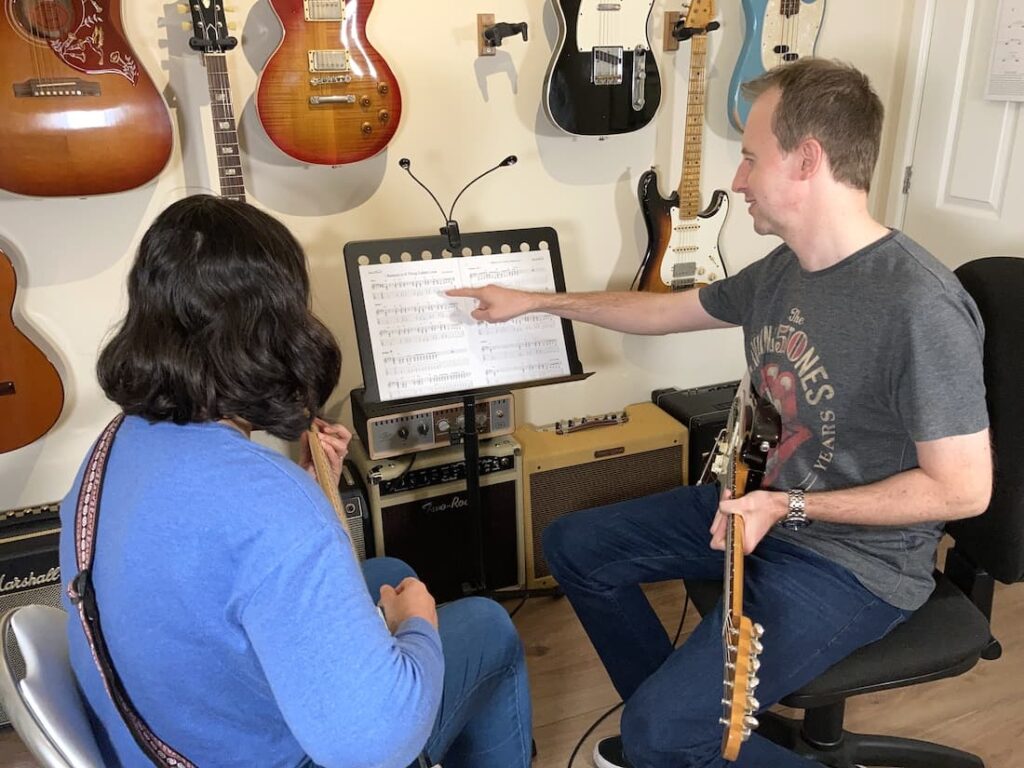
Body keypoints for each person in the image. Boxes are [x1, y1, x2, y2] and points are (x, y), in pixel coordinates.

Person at [448, 58, 992, 768]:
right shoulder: (788, 266)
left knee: (659, 735)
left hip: (852, 565)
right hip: (757, 510)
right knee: (574, 547)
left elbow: (963, 490)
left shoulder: (919, 306)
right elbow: (668, 310)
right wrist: (538, 303)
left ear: (807, 161)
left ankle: (675, 737)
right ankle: (688, 732)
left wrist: (789, 508)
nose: (736, 181)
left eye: (749, 158)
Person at [59, 195, 533, 768]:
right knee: (487, 625)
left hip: (158, 735)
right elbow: (374, 745)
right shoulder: (268, 501)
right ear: (271, 329)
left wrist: (312, 499)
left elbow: (238, 564)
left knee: (390, 573)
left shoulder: (113, 445)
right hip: (272, 756)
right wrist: (418, 627)